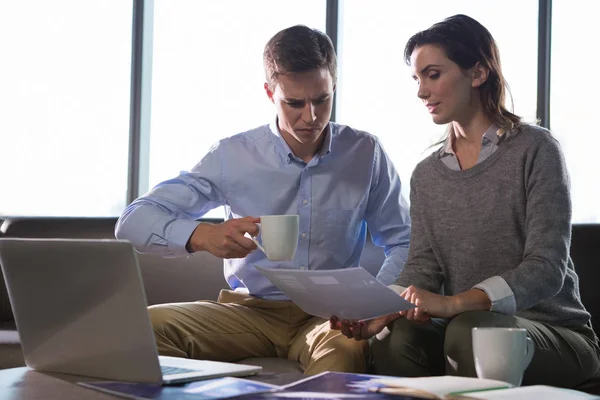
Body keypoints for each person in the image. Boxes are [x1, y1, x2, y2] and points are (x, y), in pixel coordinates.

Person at [115, 24, 411, 375]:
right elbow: (132, 221)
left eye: (321, 100)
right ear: (270, 93)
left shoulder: (366, 152)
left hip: (330, 318)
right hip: (247, 312)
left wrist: (371, 301)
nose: (311, 116)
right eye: (295, 103)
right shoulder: (232, 155)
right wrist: (203, 237)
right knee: (144, 327)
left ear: (334, 87)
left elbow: (402, 239)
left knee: (345, 355)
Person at [330, 14, 600, 388]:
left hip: (555, 334)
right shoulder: (426, 175)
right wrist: (380, 311)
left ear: (477, 73)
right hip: (465, 326)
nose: (421, 91)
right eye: (417, 78)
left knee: (472, 331)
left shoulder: (536, 150)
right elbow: (422, 268)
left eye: (433, 74)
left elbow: (546, 267)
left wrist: (456, 304)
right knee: (394, 337)